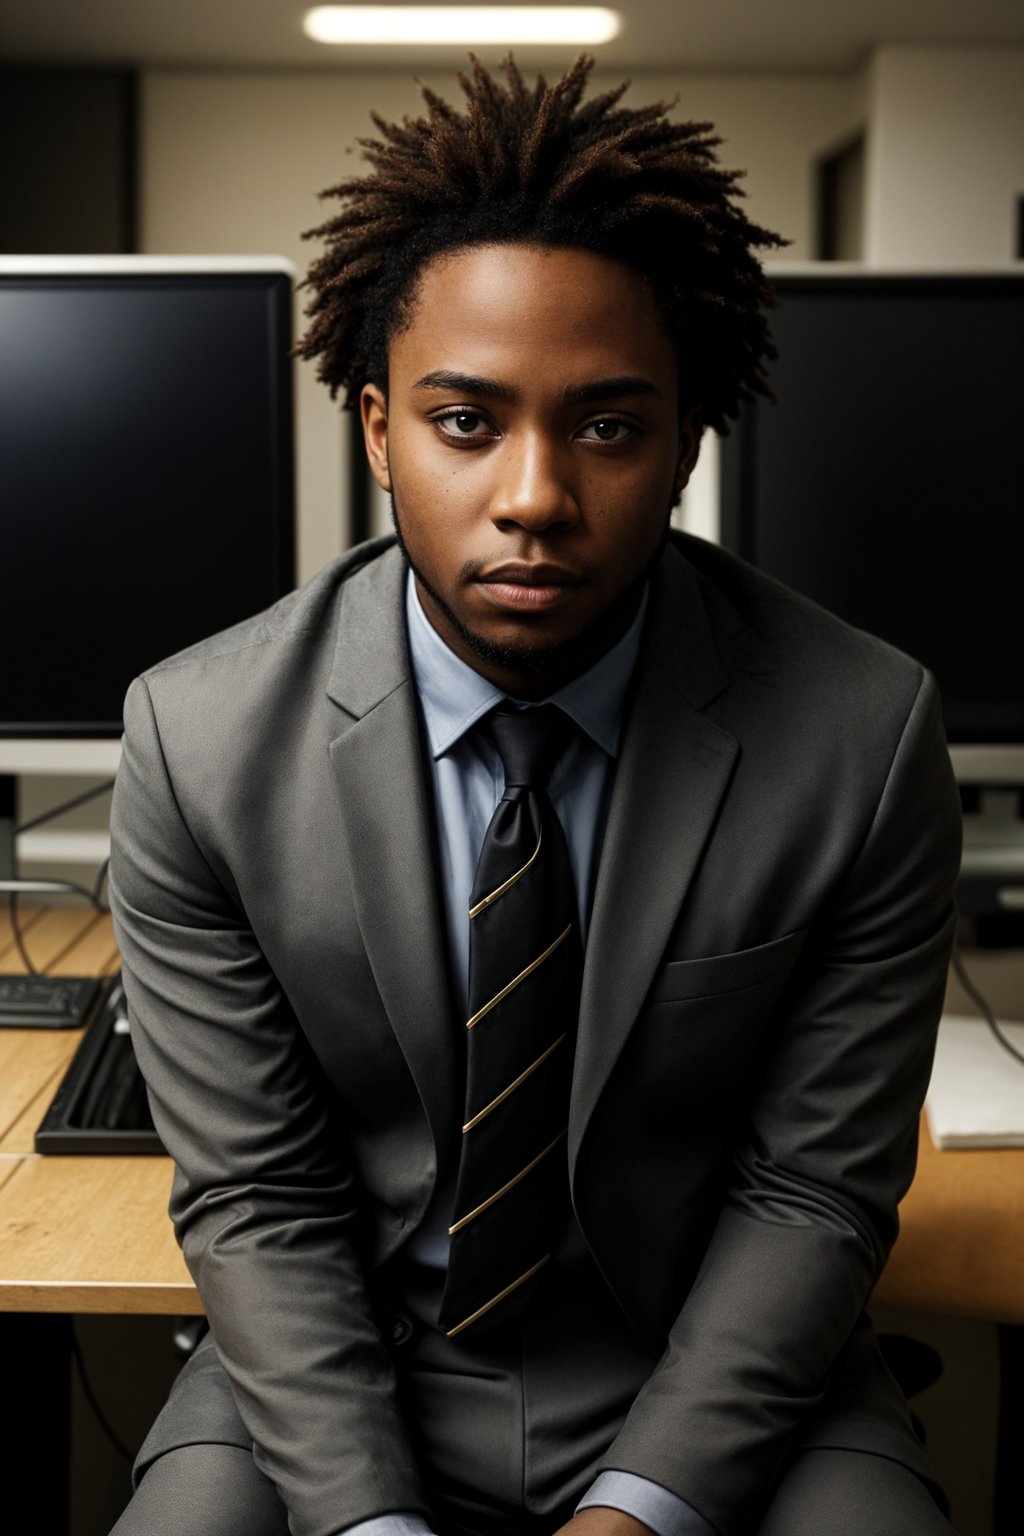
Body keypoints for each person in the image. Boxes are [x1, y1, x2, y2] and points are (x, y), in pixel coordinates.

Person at [108, 54, 963, 1536]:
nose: (534, 495)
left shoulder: (864, 733)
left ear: (691, 441)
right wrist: (366, 1522)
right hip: (339, 1377)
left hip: (715, 1371)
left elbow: (813, 1194)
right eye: (465, 422)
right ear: (376, 427)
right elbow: (258, 1205)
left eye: (610, 427)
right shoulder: (197, 741)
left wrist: (641, 1511)